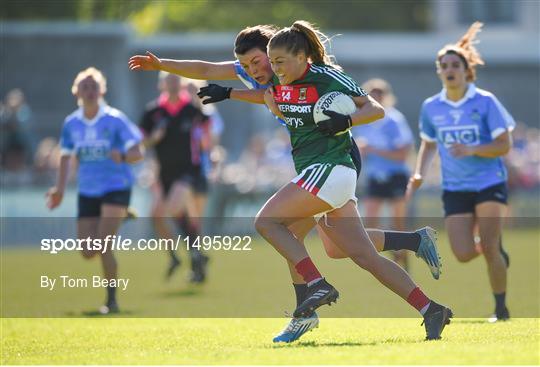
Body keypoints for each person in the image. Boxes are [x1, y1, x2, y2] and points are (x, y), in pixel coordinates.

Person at [129, 25, 443, 343]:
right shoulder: (277, 80)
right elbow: (213, 71)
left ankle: (309, 302)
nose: (257, 69)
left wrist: (343, 120)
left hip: (334, 161)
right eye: (250, 65)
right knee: (342, 249)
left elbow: (362, 108)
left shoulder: (309, 74)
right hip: (315, 165)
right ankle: (427, 296)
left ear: (278, 54)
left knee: (275, 225)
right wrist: (164, 65)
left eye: (261, 62)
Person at [406, 22, 514, 322]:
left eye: (455, 64)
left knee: (490, 248)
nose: (449, 69)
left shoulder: (485, 101)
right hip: (455, 188)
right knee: (464, 253)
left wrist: (473, 149)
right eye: (444, 65)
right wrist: (419, 173)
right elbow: (428, 145)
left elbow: (504, 144)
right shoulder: (431, 107)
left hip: (489, 182)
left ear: (467, 70)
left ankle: (501, 310)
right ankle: (495, 250)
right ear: (438, 71)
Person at [46, 67, 144, 314]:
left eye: (93, 86)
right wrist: (59, 190)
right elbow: (66, 158)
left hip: (116, 187)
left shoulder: (115, 119)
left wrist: (121, 155)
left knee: (103, 245)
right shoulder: (72, 124)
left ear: (102, 90)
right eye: (84, 86)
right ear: (76, 91)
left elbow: (138, 152)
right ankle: (121, 218)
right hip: (88, 190)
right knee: (88, 252)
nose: (89, 91)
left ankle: (111, 301)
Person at [140, 72, 211, 283]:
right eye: (168, 80)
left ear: (181, 84)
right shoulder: (153, 112)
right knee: (156, 216)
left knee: (174, 208)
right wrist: (154, 138)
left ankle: (196, 255)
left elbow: (206, 138)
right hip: (163, 174)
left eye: (175, 81)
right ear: (161, 84)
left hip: (188, 172)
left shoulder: (191, 110)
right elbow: (141, 142)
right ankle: (181, 256)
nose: (172, 84)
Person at [353, 79, 414, 271]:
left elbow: (402, 154)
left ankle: (403, 259)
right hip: (375, 176)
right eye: (372, 94)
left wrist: (373, 149)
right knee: (370, 221)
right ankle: (381, 262)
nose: (375, 98)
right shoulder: (362, 121)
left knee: (398, 222)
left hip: (396, 175)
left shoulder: (394, 120)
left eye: (379, 94)